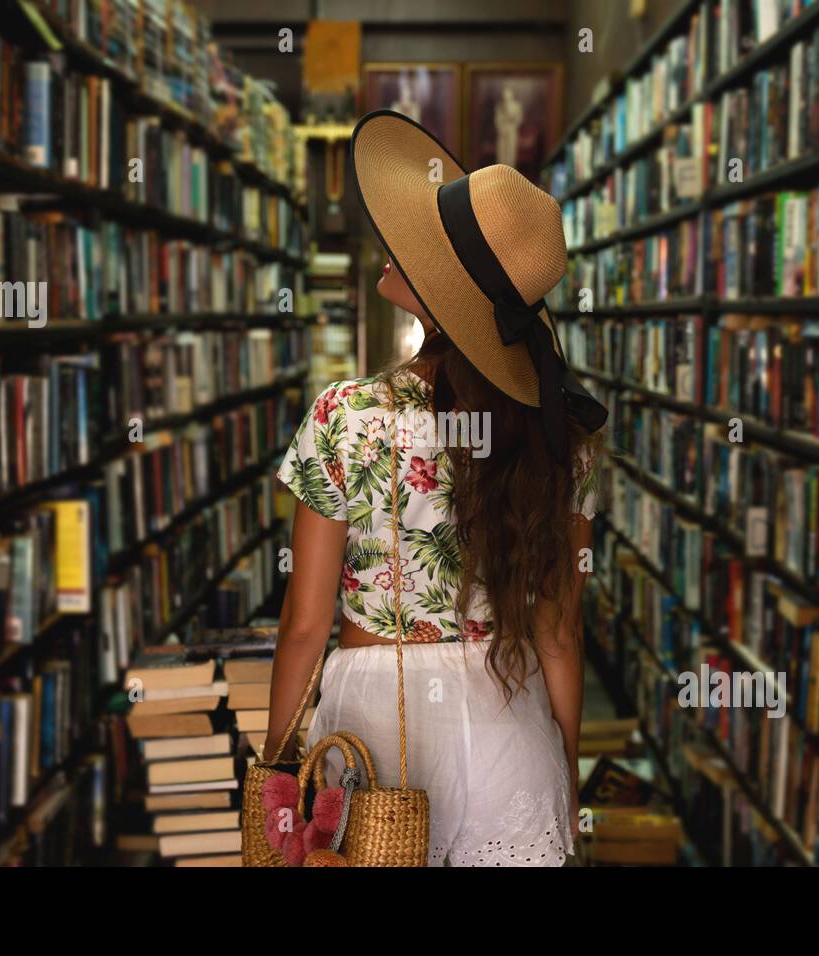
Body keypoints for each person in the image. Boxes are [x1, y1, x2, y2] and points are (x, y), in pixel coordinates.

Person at [262, 110, 608, 867]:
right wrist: (562, 774)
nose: (395, 242)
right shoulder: (561, 441)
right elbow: (559, 633)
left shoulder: (347, 416)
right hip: (506, 732)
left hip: (370, 732)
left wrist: (278, 775)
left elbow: (303, 624)